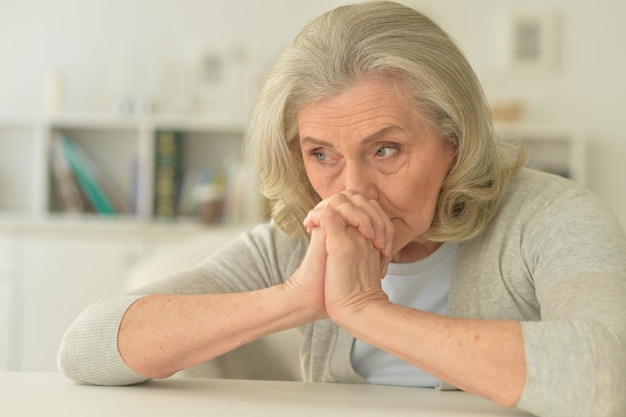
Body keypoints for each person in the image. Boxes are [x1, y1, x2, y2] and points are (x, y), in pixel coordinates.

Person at [58, 2, 626, 417]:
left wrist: (364, 309)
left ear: (456, 140)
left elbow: (606, 375)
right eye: (321, 154)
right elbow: (86, 349)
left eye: (386, 150)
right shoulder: (297, 238)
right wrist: (294, 298)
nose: (353, 190)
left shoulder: (552, 217)